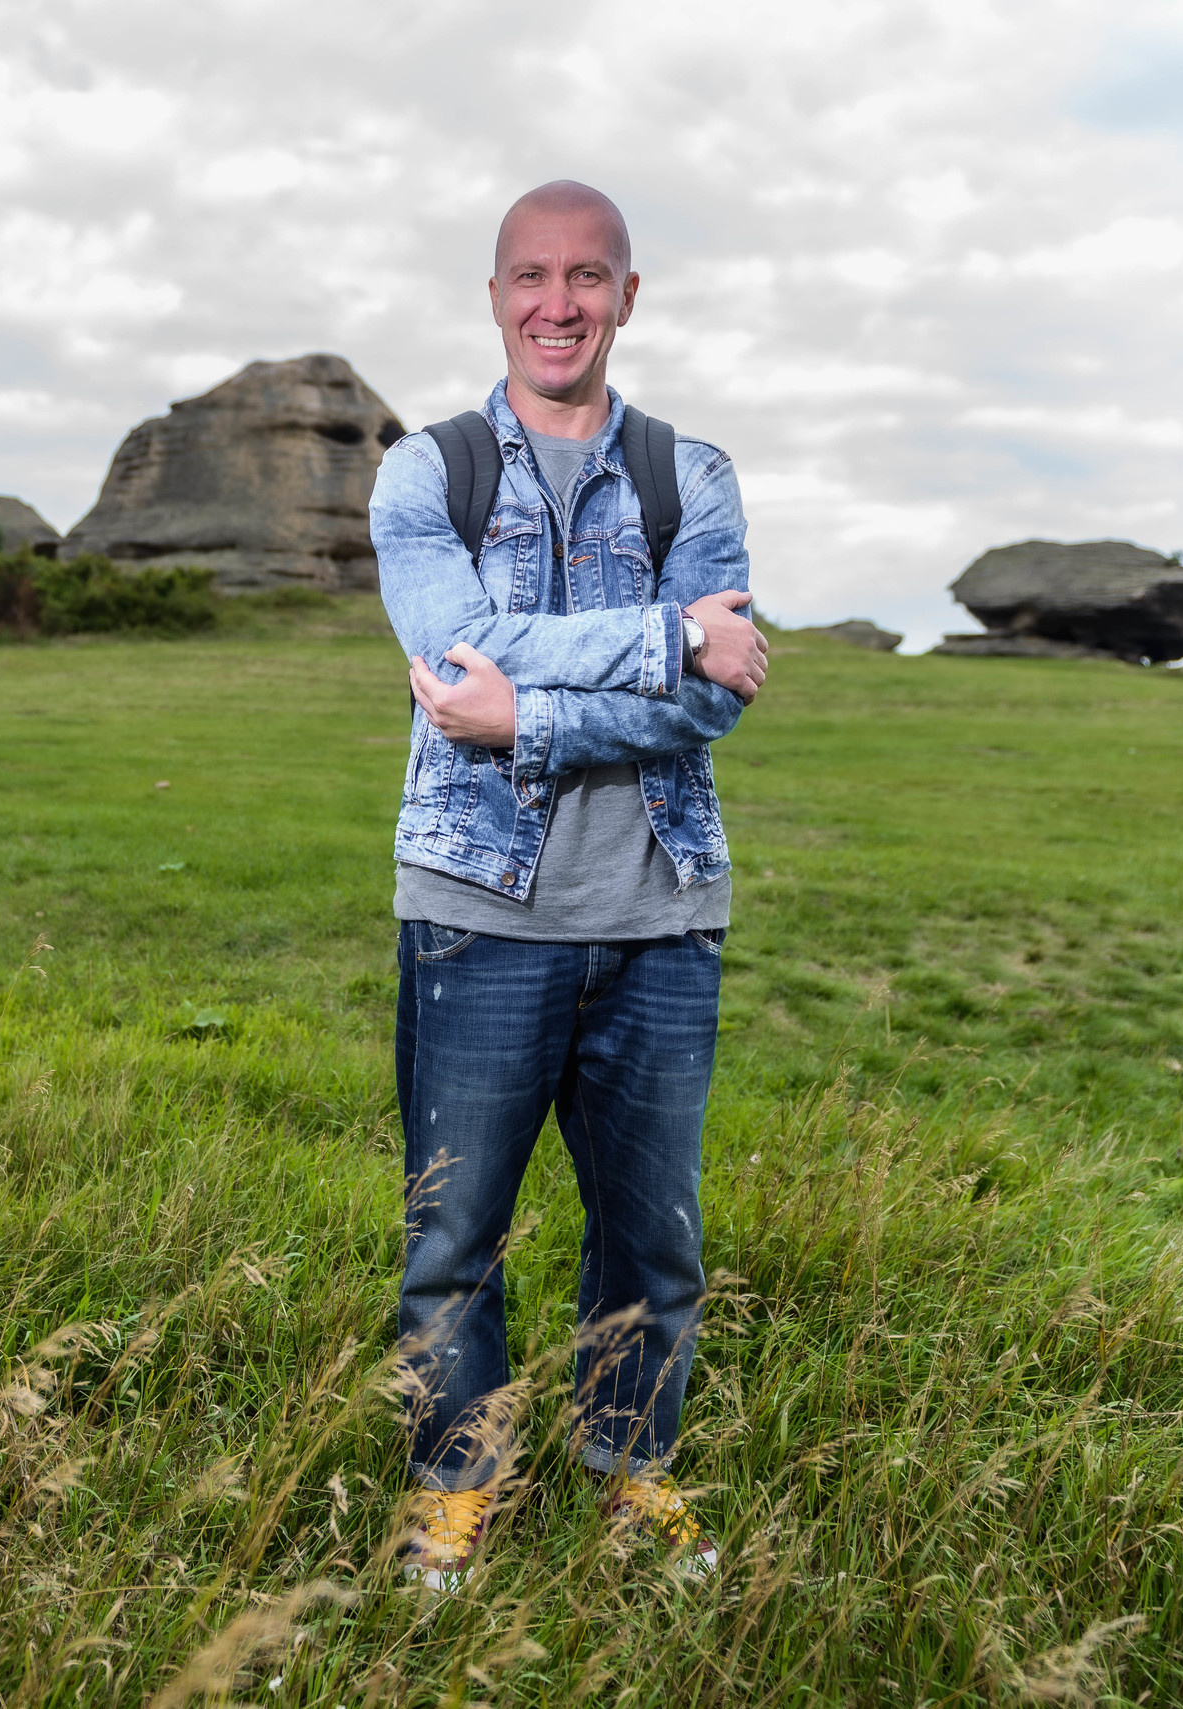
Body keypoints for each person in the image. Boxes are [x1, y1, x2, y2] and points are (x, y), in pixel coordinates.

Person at [371, 180, 771, 1590]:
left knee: (655, 1240)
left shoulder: (691, 477)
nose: (559, 303)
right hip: (477, 913)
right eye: (532, 276)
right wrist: (670, 635)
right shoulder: (426, 471)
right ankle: (455, 1484)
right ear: (494, 296)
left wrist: (525, 717)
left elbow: (712, 709)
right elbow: (457, 646)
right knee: (454, 1234)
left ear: (627, 296)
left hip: (661, 914)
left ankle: (627, 1468)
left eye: (587, 277)